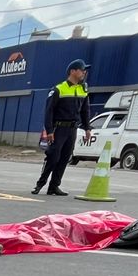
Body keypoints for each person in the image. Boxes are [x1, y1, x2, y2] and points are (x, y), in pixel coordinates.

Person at [31, 60, 93, 197]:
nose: (84, 73)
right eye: (82, 70)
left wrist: (87, 128)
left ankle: (54, 186)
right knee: (53, 157)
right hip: (59, 129)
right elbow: (49, 111)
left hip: (72, 130)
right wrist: (50, 130)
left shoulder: (83, 89)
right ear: (72, 71)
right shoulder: (59, 89)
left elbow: (85, 110)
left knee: (65, 158)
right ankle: (40, 184)